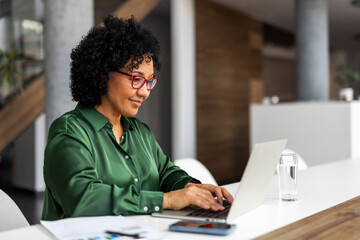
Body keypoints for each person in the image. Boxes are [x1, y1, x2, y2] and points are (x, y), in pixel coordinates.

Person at [42, 15, 233, 220]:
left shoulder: (139, 131)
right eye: (136, 79)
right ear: (103, 72)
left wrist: (193, 189)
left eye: (149, 81)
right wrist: (166, 200)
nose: (144, 92)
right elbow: (83, 199)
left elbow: (166, 173)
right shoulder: (70, 131)